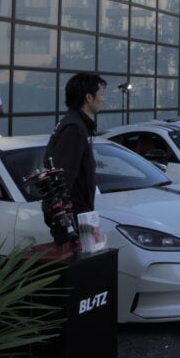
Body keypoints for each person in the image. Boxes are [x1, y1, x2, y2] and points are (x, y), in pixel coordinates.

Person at [45, 73, 107, 238]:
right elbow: (62, 178)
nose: (103, 99)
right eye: (101, 94)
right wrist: (64, 222)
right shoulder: (74, 129)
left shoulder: (76, 124)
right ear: (89, 97)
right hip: (74, 221)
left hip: (80, 216)